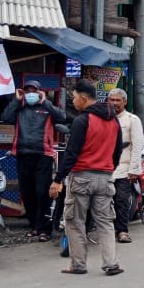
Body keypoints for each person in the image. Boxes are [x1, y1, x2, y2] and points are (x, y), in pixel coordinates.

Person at [51, 80, 124, 275]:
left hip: (82, 176)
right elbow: (117, 151)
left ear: (83, 98)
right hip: (105, 177)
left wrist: (58, 179)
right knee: (105, 222)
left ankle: (78, 264)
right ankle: (111, 264)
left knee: (75, 221)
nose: (73, 101)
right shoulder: (114, 120)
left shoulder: (82, 121)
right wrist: (109, 169)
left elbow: (71, 153)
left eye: (74, 97)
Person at [2, 79, 67, 242]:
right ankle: (34, 227)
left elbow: (62, 117)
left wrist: (46, 102)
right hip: (22, 154)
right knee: (27, 193)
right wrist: (16, 100)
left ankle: (45, 228)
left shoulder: (46, 108)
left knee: (42, 192)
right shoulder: (20, 108)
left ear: (40, 92)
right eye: (27, 91)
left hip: (43, 155)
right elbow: (5, 118)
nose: (30, 93)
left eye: (34, 90)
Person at [107, 88, 144, 243]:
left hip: (124, 168)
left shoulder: (132, 120)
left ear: (125, 102)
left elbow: (137, 146)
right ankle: (106, 231)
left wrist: (134, 169)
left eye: (118, 100)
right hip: (105, 168)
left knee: (122, 200)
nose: (115, 103)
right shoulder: (104, 118)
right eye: (112, 100)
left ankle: (122, 230)